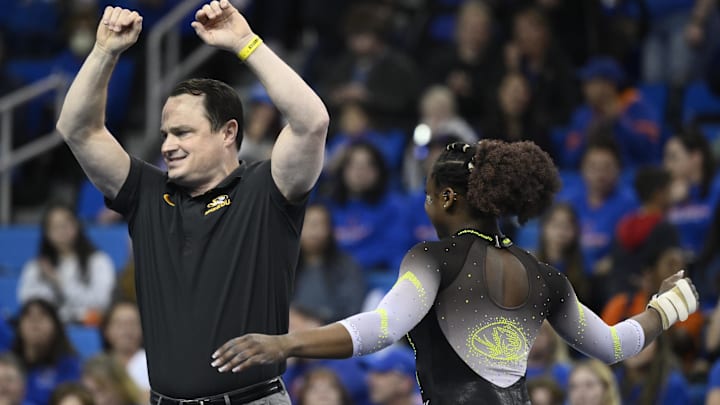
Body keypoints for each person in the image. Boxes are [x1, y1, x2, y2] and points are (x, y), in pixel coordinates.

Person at [209, 140, 699, 404]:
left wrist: (285, 343)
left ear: (447, 198)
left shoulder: (435, 258)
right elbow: (615, 346)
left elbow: (382, 328)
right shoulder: (546, 277)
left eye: (427, 193)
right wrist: (669, 305)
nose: (424, 203)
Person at [55, 0, 329, 403]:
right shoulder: (146, 193)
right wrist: (104, 51)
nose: (168, 146)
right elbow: (77, 128)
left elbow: (312, 122)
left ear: (228, 132)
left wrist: (245, 43)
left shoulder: (266, 188)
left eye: (183, 133)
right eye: (166, 134)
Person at [17, 203, 115, 325]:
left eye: (65, 225)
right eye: (54, 226)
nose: (61, 231)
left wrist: (60, 283)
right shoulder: (37, 266)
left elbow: (101, 301)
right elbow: (27, 301)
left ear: (77, 225)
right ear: (46, 233)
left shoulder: (99, 261)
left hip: (86, 324)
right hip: (49, 327)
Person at [294, 204, 366, 323]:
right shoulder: (287, 267)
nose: (314, 230)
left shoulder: (346, 266)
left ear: (330, 229)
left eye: (320, 224)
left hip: (333, 332)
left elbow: (352, 311)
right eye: (308, 224)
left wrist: (317, 323)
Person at [11, 299, 81, 405]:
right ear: (19, 326)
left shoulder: (69, 365)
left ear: (55, 326)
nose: (35, 322)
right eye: (28, 317)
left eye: (42, 317)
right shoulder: (8, 364)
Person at [98, 301, 148, 401]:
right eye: (119, 324)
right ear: (106, 330)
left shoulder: (153, 364)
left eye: (132, 323)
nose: (126, 330)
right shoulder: (97, 365)